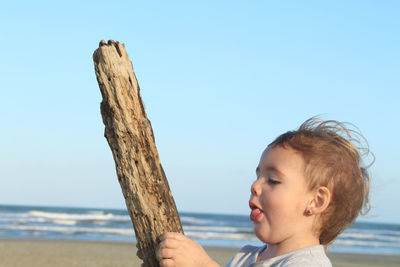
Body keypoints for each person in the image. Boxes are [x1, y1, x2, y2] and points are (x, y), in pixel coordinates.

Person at [155, 117, 372, 267]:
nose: (255, 186)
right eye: (258, 176)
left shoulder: (308, 263)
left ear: (316, 201)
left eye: (273, 180)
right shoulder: (246, 256)